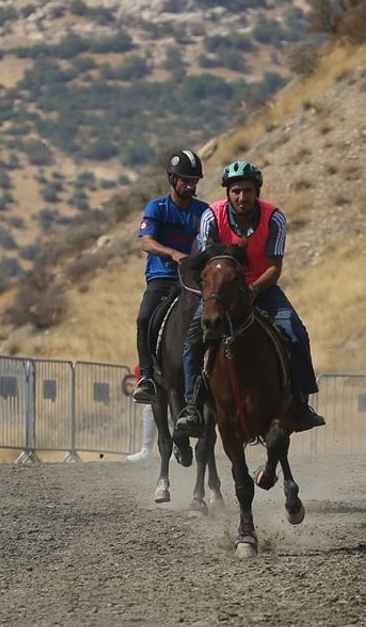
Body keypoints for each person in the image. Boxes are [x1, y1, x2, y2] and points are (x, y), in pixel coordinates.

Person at [175, 160, 326, 436]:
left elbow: (274, 268)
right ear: (227, 193)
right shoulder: (212, 216)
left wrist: (253, 291)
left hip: (261, 288)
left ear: (257, 192)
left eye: (247, 191)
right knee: (194, 338)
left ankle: (302, 403)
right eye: (235, 191)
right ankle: (191, 407)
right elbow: (209, 263)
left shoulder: (274, 218)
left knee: (295, 331)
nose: (241, 197)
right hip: (221, 292)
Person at [131, 150, 210, 404]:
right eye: (185, 180)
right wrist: (173, 253)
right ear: (172, 179)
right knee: (145, 319)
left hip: (194, 279)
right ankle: (147, 377)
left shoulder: (204, 211)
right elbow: (147, 243)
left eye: (194, 181)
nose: (190, 185)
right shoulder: (157, 208)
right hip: (162, 277)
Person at [122, 366, 155, 463]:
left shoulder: (139, 370)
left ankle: (147, 449)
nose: (133, 386)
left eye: (130, 384)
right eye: (132, 390)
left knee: (149, 410)